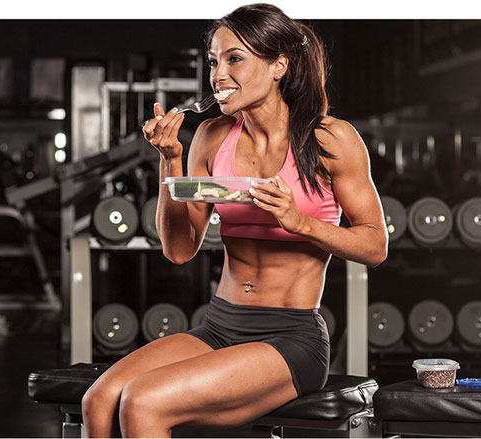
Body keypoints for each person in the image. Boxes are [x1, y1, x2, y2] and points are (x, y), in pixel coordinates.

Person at [81, 4, 388, 437]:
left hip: (289, 338)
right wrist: (170, 161)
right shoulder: (211, 136)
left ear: (279, 65)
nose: (218, 74)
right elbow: (179, 250)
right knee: (98, 400)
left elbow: (375, 246)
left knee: (142, 401)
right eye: (213, 61)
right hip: (221, 325)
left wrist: (300, 222)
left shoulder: (330, 139)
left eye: (234, 59)